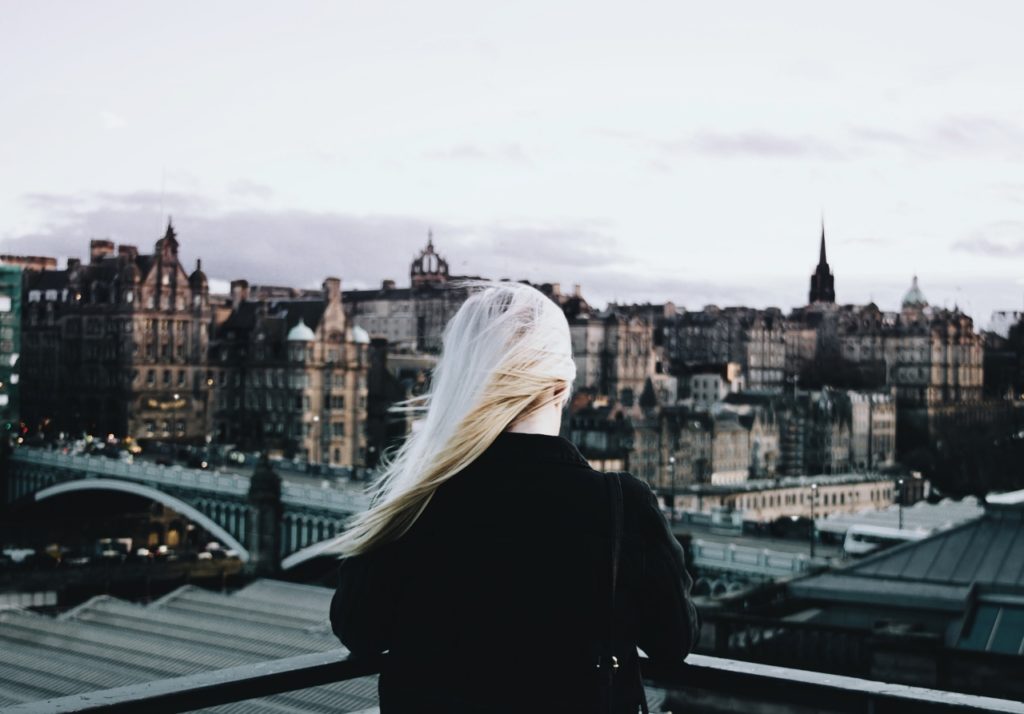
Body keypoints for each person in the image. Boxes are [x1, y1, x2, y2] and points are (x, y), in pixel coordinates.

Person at [330, 281, 699, 713]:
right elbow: (674, 640)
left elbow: (358, 628)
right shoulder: (620, 504)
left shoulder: (416, 496)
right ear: (562, 386)